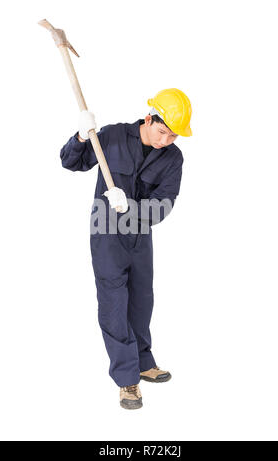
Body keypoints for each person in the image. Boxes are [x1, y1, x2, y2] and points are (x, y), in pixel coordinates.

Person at [60, 88, 192, 410]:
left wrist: (131, 208)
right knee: (115, 305)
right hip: (106, 235)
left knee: (142, 301)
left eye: (173, 136)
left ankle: (143, 361)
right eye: (162, 132)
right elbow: (70, 162)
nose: (165, 141)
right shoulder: (112, 137)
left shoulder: (173, 158)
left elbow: (164, 204)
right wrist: (80, 137)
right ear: (149, 118)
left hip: (140, 237)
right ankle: (127, 379)